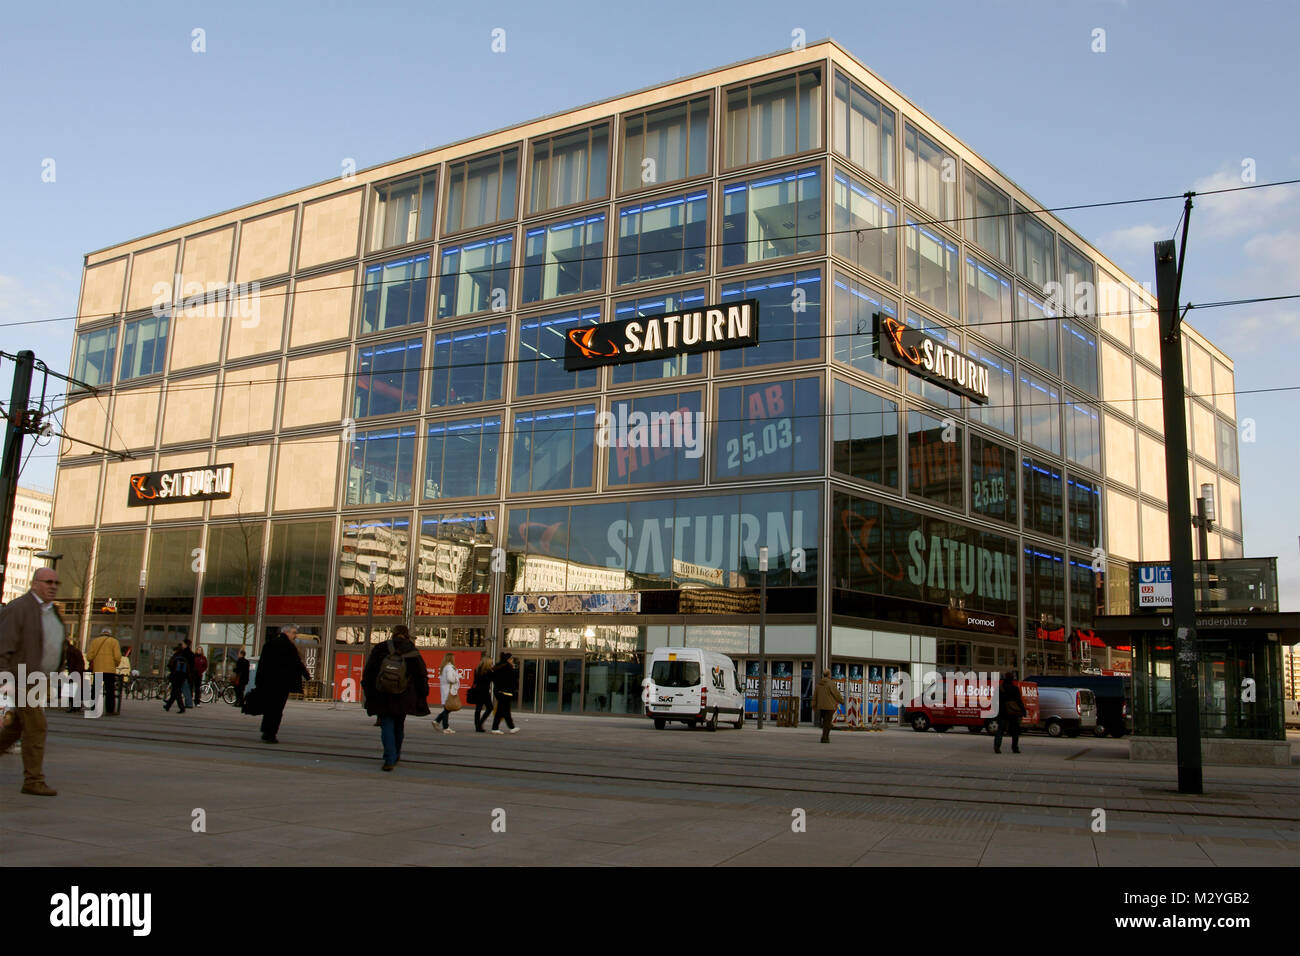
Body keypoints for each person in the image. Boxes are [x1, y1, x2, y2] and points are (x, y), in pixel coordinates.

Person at [0, 568, 66, 795]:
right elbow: (2, 647)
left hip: (40, 680)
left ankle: (33, 779)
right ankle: (33, 781)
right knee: (37, 726)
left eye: (57, 582)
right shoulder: (19, 608)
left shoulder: (51, 611)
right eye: (48, 582)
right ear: (35, 583)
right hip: (20, 680)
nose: (53, 586)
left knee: (14, 729)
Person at [361, 624, 429, 770]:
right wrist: (423, 694)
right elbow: (421, 674)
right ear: (407, 635)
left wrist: (369, 691)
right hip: (404, 695)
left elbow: (369, 672)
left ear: (393, 634)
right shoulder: (412, 650)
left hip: (383, 694)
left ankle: (389, 758)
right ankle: (396, 754)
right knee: (399, 725)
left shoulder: (381, 648)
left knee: (386, 724)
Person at [254, 624, 311, 743]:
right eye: (294, 633)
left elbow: (262, 664)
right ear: (287, 632)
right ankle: (271, 734)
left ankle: (265, 731)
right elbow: (297, 663)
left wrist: (259, 681)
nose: (295, 636)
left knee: (269, 708)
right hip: (282, 683)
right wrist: (307, 675)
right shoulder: (289, 646)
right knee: (277, 709)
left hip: (268, 682)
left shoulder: (269, 644)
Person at [86, 626, 123, 716]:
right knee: (110, 691)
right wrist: (116, 664)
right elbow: (117, 657)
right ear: (110, 633)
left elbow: (89, 656)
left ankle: (93, 708)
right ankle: (110, 710)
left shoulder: (95, 641)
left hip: (98, 669)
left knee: (95, 690)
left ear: (101, 633)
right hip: (110, 670)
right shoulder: (114, 642)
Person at [994, 669, 1023, 754]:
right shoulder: (1015, 689)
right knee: (1015, 731)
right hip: (1013, 712)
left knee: (1000, 730)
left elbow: (994, 700)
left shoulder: (1000, 688)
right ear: (1012, 679)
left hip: (1002, 712)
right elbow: (1019, 701)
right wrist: (1023, 711)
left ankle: (997, 746)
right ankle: (1015, 748)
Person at [490, 652, 519, 734]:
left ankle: (511, 727)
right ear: (508, 659)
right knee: (501, 710)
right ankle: (495, 728)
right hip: (505, 692)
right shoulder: (508, 667)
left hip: (498, 691)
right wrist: (514, 669)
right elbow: (513, 679)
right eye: (511, 659)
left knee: (505, 710)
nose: (512, 660)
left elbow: (493, 678)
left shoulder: (498, 666)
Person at [813, 668, 844, 744]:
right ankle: (825, 738)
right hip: (830, 706)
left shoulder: (819, 684)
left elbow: (815, 695)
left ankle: (824, 737)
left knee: (825, 722)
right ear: (829, 675)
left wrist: (814, 705)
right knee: (828, 723)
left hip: (821, 706)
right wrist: (842, 701)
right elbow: (836, 694)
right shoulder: (831, 683)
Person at [432, 652, 460, 733]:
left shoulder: (444, 667)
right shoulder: (450, 667)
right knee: (449, 708)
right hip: (449, 690)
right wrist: (457, 678)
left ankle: (438, 721)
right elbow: (450, 679)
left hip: (445, 690)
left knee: (447, 708)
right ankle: (445, 727)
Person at [162, 643, 189, 713]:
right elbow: (188, 669)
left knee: (177, 693)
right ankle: (168, 706)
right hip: (182, 677)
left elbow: (170, 665)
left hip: (175, 677)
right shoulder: (184, 657)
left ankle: (182, 708)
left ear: (176, 650)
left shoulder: (175, 656)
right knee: (174, 692)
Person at [471, 655, 494, 732]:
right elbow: (491, 680)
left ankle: (477, 726)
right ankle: (480, 724)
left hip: (478, 691)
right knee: (490, 708)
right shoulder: (488, 671)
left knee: (478, 709)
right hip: (484, 692)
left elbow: (475, 681)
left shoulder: (477, 669)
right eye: (491, 662)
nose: (492, 664)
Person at [63, 636, 85, 713]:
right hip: (79, 671)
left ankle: (73, 707)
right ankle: (77, 706)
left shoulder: (69, 651)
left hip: (75, 672)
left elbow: (71, 663)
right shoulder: (74, 650)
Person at [115, 646, 132, 713]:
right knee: (124, 683)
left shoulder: (119, 658)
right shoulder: (126, 659)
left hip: (116, 674)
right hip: (123, 675)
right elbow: (128, 668)